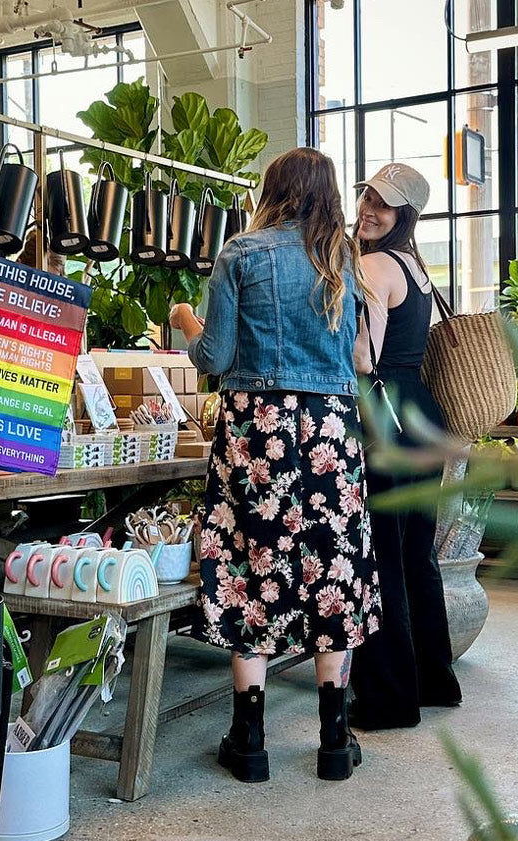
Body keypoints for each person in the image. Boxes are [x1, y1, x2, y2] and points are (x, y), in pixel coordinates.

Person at [170, 148, 381, 783]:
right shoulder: (343, 262)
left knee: (247, 565)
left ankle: (250, 739)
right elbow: (354, 358)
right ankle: (334, 740)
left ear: (273, 190)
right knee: (333, 570)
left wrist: (183, 320)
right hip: (330, 432)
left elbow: (214, 354)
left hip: (257, 432)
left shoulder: (241, 252)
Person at [349, 163, 462, 730]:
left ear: (405, 216)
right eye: (368, 195)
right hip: (422, 414)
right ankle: (434, 678)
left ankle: (389, 699)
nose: (370, 208)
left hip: (384, 415)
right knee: (418, 552)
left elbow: (363, 358)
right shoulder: (417, 268)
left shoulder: (372, 265)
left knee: (381, 558)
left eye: (384, 204)